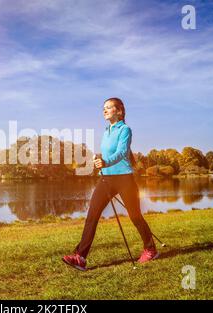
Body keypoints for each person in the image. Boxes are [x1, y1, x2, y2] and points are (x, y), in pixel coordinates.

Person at [62, 97, 159, 271]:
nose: (104, 110)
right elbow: (106, 155)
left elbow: (122, 152)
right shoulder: (106, 131)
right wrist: (99, 161)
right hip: (106, 179)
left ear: (119, 111)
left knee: (135, 217)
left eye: (109, 108)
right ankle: (80, 257)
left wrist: (105, 162)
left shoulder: (125, 130)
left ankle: (150, 249)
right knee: (92, 215)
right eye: (103, 108)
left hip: (124, 179)